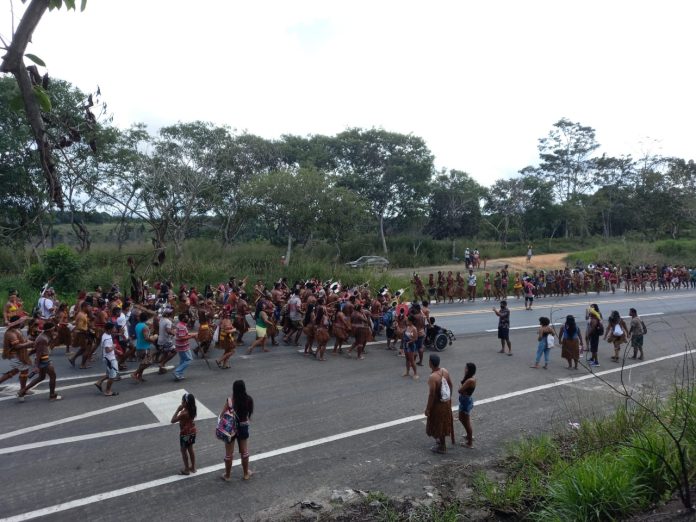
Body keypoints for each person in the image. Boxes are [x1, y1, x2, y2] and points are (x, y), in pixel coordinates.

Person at [17, 322, 62, 401]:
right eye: (53, 329)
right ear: (49, 330)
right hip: (44, 360)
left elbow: (35, 349)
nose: (54, 331)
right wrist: (36, 366)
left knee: (41, 377)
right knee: (53, 376)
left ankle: (22, 391)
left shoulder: (45, 336)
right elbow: (38, 353)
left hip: (43, 358)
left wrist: (28, 355)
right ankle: (52, 395)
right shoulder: (43, 339)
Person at [220, 380, 254, 482]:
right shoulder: (249, 400)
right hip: (243, 427)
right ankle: (246, 474)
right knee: (244, 451)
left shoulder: (230, 401)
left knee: (228, 453)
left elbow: (222, 415)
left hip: (231, 429)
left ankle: (227, 475)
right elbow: (249, 415)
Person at [424, 354, 454, 454]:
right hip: (446, 402)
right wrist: (449, 398)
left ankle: (442, 447)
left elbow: (432, 394)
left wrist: (428, 408)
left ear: (430, 363)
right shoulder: (444, 371)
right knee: (444, 422)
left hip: (438, 405)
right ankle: (441, 442)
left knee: (439, 423)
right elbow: (450, 385)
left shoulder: (433, 377)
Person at [0, 316, 33, 392]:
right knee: (24, 371)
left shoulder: (17, 330)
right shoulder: (11, 333)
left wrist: (30, 342)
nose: (23, 323)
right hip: (16, 356)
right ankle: (23, 390)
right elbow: (17, 346)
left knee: (15, 371)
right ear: (17, 323)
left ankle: (23, 389)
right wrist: (30, 344)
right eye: (21, 322)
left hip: (19, 355)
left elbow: (24, 340)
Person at [171, 393, 197, 475]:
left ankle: (186, 469)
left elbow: (173, 420)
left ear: (186, 403)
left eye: (182, 401)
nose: (181, 402)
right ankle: (193, 467)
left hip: (185, 434)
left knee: (183, 450)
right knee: (190, 449)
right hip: (192, 432)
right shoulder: (193, 409)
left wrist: (178, 410)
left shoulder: (184, 413)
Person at [94, 321, 119, 396]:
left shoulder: (106, 335)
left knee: (109, 374)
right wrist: (114, 347)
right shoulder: (107, 338)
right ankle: (108, 391)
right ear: (109, 330)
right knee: (112, 376)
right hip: (110, 359)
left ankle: (99, 382)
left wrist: (116, 350)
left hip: (107, 358)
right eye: (113, 328)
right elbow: (107, 350)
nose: (115, 329)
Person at [458, 362, 477, 448]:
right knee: (464, 419)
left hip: (465, 401)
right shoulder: (470, 378)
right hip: (465, 400)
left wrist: (461, 388)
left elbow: (460, 390)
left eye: (466, 368)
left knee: (465, 421)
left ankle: (469, 443)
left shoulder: (470, 380)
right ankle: (468, 436)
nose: (464, 369)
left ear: (469, 370)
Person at [131, 311, 153, 383]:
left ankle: (140, 376)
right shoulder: (145, 327)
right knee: (148, 362)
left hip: (139, 346)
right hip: (144, 347)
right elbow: (146, 338)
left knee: (143, 363)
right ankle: (135, 373)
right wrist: (153, 338)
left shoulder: (138, 325)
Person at [174, 313, 195, 381]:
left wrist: (193, 335)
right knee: (189, 359)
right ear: (183, 319)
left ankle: (179, 374)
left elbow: (184, 334)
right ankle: (177, 372)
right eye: (186, 317)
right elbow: (182, 337)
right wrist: (191, 336)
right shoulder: (182, 326)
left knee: (183, 360)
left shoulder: (181, 325)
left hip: (180, 345)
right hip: (183, 345)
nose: (188, 319)